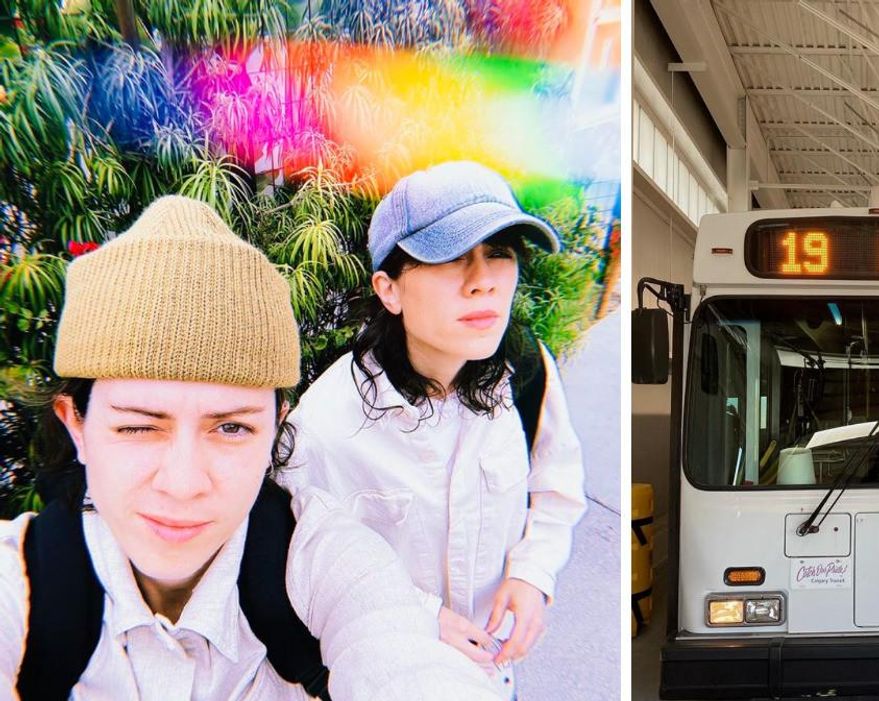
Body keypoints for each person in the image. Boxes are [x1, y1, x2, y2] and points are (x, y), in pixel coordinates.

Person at [0, 196, 504, 700]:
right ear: (77, 426)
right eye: (138, 428)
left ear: (276, 428)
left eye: (232, 429)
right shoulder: (22, 588)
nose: (182, 484)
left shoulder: (315, 566)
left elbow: (396, 653)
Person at [280, 161, 587, 695]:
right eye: (449, 257)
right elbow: (297, 573)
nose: (483, 282)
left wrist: (533, 575)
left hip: (497, 678)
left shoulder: (526, 375)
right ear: (389, 289)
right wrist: (415, 617)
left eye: (499, 254)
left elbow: (556, 490)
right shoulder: (325, 427)